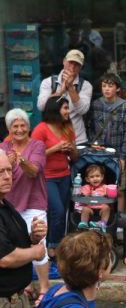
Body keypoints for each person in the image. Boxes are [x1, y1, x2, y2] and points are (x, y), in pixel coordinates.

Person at [0, 109, 50, 299]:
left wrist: (19, 161)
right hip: (10, 203)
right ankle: (26, 285)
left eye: (23, 126)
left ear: (29, 128)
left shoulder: (37, 145)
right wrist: (8, 163)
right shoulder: (3, 148)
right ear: (9, 129)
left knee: (39, 242)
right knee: (16, 243)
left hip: (33, 201)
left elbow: (33, 171)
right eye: (15, 126)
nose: (19, 130)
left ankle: (44, 288)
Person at [0, 150, 47, 308]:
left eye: (9, 170)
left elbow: (12, 244)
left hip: (17, 301)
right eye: (1, 172)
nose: (7, 176)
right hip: (3, 306)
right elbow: (5, 258)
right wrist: (36, 252)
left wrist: (32, 238)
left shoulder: (5, 204)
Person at [87, 72, 126, 230]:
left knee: (118, 188)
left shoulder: (124, 106)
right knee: (99, 184)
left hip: (117, 153)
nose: (107, 89)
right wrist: (92, 144)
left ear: (117, 88)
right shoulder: (96, 104)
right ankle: (97, 217)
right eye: (104, 86)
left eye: (110, 86)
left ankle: (119, 220)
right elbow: (90, 127)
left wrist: (123, 156)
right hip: (99, 152)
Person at [31, 98, 78, 258]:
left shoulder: (67, 128)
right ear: (55, 109)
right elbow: (33, 156)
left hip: (64, 175)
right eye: (65, 108)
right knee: (57, 210)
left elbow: (75, 157)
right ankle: (52, 246)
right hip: (46, 177)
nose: (67, 112)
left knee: (60, 212)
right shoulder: (41, 129)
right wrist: (55, 148)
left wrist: (70, 149)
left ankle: (54, 245)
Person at [36, 49, 92, 145]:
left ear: (81, 67)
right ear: (64, 61)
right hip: (51, 138)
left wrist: (70, 87)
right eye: (70, 62)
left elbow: (82, 110)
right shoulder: (48, 82)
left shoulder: (86, 85)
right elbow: (41, 106)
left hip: (77, 139)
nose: (72, 67)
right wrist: (61, 91)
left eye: (77, 64)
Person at [74, 164, 110, 230]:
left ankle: (103, 223)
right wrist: (86, 194)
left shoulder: (105, 187)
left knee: (107, 208)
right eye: (92, 177)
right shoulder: (86, 187)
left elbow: (111, 194)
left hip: (101, 208)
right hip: (90, 208)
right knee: (85, 209)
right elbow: (83, 195)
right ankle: (84, 223)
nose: (95, 178)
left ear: (102, 177)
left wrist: (109, 194)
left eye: (97, 176)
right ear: (87, 179)